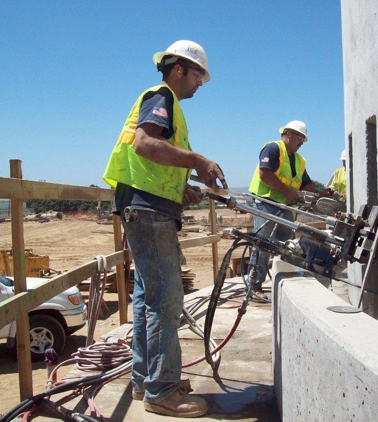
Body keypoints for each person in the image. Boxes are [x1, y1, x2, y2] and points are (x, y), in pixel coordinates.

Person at [103, 40, 227, 418]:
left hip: (146, 206)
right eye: (197, 75)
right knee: (164, 300)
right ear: (179, 70)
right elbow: (144, 144)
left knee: (146, 298)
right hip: (148, 210)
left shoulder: (164, 102)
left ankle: (147, 380)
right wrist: (197, 160)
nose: (200, 84)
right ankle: (162, 391)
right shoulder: (162, 97)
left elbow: (153, 160)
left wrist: (181, 188)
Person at [247, 120, 333, 300]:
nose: (301, 143)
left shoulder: (299, 160)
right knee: (264, 243)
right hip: (266, 202)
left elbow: (306, 184)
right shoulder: (273, 149)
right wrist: (288, 192)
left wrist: (319, 194)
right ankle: (254, 286)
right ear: (289, 134)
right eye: (300, 138)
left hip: (284, 205)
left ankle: (285, 281)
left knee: (286, 244)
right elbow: (265, 174)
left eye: (303, 140)